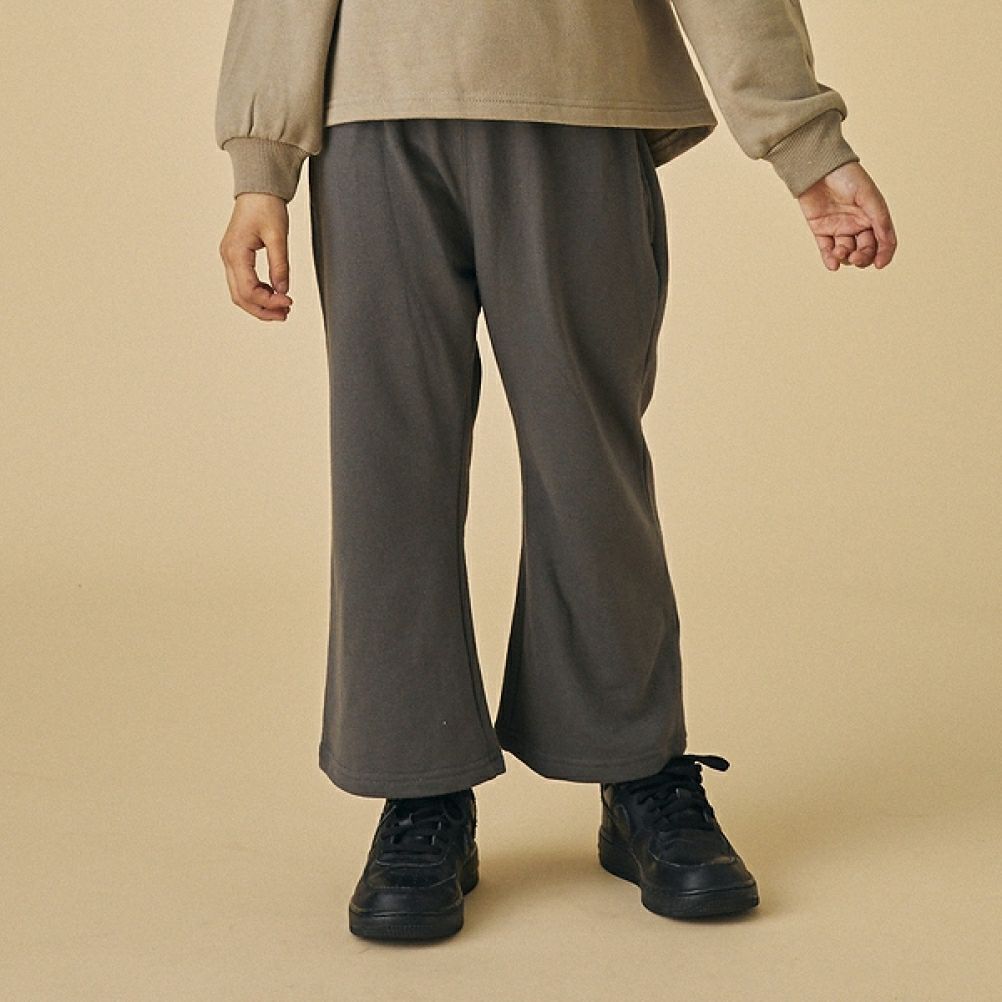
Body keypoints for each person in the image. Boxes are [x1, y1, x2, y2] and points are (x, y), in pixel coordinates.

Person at [214, 1, 896, 942]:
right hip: (371, 110)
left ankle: (637, 768)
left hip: (577, 94)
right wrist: (261, 163)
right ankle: (420, 788)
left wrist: (805, 143)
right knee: (386, 471)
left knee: (590, 469)